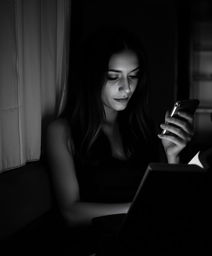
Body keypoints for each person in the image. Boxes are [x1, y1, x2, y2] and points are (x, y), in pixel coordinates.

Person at [46, 26, 195, 254]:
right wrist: (139, 209)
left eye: (133, 76)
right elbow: (71, 213)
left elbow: (168, 204)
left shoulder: (138, 128)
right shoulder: (63, 131)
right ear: (91, 77)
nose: (126, 88)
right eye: (113, 77)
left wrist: (173, 156)